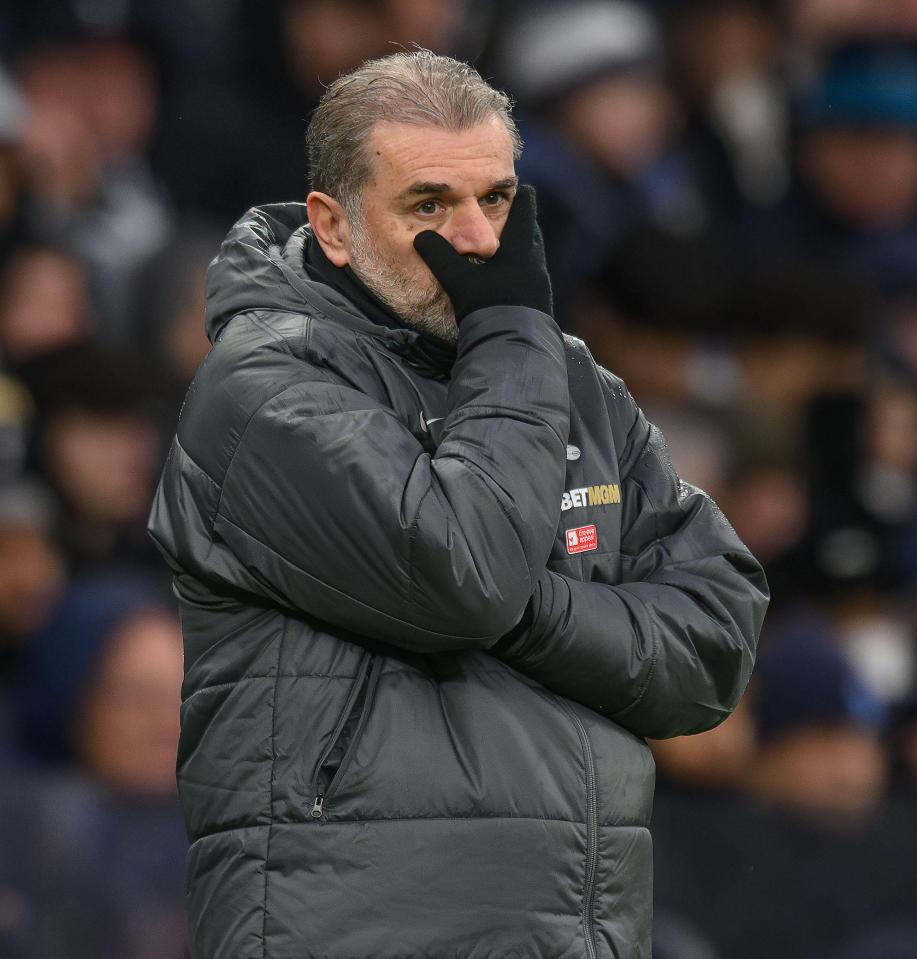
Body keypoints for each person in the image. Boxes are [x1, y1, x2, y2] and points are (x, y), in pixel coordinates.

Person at [148, 50, 768, 959]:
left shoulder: (579, 388)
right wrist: (515, 332)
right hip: (355, 928)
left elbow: (714, 646)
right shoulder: (263, 389)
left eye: (497, 200)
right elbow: (466, 573)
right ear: (332, 224)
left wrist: (528, 606)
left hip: (575, 931)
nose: (477, 241)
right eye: (428, 205)